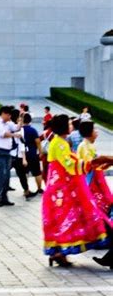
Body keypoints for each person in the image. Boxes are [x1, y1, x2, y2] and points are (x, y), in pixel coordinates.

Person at [42, 114, 113, 268]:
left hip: (62, 192)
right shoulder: (60, 144)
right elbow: (71, 165)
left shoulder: (61, 142)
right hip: (60, 193)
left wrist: (99, 162)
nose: (71, 126)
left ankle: (59, 253)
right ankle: (58, 253)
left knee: (64, 221)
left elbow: (73, 161)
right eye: (68, 123)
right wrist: (96, 162)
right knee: (66, 221)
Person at [77, 121, 113, 217]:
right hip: (91, 181)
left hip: (95, 179)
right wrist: (105, 160)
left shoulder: (89, 145)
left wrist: (106, 163)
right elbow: (90, 163)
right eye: (94, 129)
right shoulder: (84, 146)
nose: (96, 131)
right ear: (89, 132)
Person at [0, 106, 21, 207]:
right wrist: (14, 135)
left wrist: (20, 120)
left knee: (7, 175)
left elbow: (16, 128)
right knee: (1, 174)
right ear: (3, 113)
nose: (10, 117)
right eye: (8, 115)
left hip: (7, 152)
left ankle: (4, 197)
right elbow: (2, 134)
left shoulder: (8, 122)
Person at [9, 109, 36, 200]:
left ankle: (26, 191)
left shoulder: (9, 127)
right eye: (20, 118)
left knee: (17, 174)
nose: (21, 120)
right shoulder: (19, 129)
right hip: (17, 156)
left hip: (10, 154)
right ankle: (26, 191)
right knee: (21, 174)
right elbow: (21, 144)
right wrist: (24, 158)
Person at [22, 113, 44, 195]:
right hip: (32, 154)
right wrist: (40, 152)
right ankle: (39, 188)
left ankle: (26, 189)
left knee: (24, 173)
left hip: (22, 154)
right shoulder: (33, 130)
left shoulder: (19, 130)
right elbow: (38, 142)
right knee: (37, 172)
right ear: (30, 120)